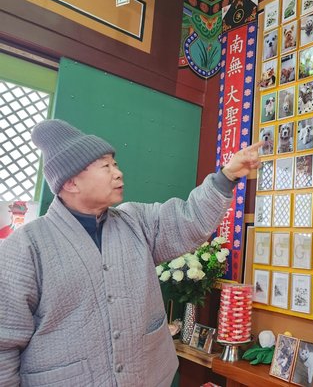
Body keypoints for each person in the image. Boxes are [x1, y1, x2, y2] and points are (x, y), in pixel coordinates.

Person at [0, 119, 262, 386]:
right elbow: (3, 344)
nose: (118, 173)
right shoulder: (26, 247)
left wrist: (227, 175)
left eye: (115, 164)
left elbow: (190, 219)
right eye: (105, 166)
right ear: (70, 183)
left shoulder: (135, 220)